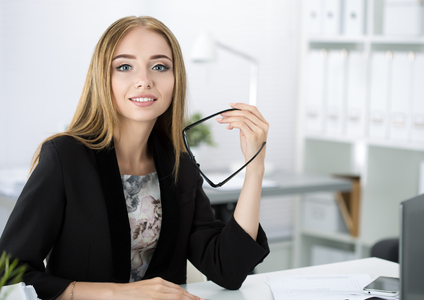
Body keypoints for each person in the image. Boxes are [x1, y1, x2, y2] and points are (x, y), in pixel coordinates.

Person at [0, 16, 270, 300]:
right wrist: (118, 294)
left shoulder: (179, 164)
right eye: (125, 66)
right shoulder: (65, 157)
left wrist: (255, 167)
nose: (144, 81)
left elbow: (228, 269)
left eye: (159, 66)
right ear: (104, 77)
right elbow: (9, 275)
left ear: (175, 79)